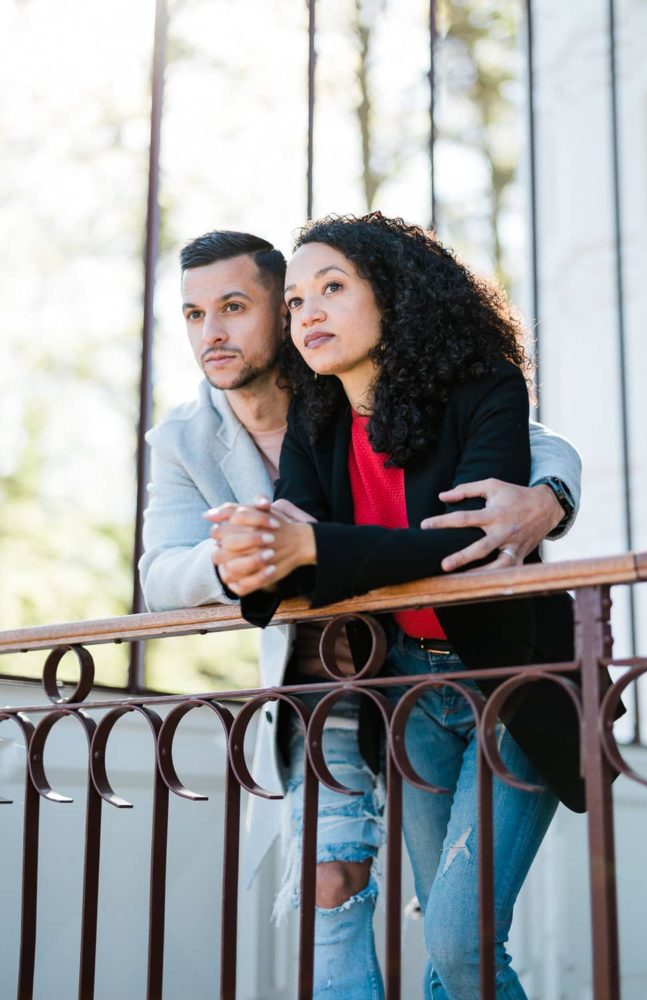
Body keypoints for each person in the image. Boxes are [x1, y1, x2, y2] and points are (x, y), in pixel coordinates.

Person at [140, 227, 582, 999]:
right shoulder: (246, 430)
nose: (211, 329)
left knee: (457, 937)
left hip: (485, 675)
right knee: (397, 920)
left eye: (237, 306)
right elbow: (186, 566)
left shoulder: (451, 386)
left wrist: (548, 499)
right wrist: (244, 558)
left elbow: (501, 487)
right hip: (374, 687)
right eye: (191, 313)